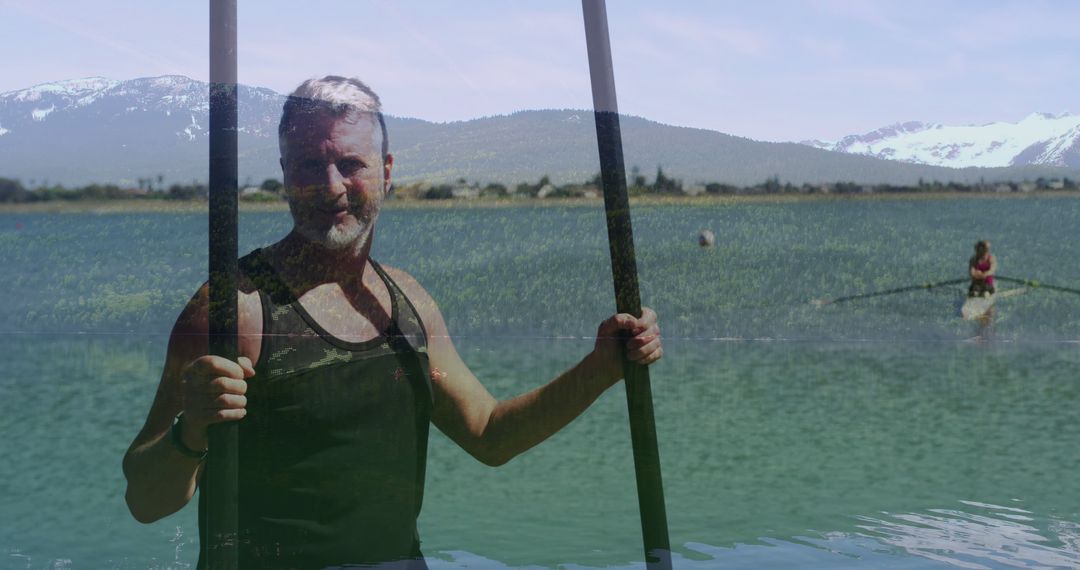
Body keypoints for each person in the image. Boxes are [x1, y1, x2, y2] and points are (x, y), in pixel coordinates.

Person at [121, 76, 663, 569]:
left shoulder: (409, 302)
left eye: (351, 165)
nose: (331, 185)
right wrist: (190, 432)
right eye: (309, 165)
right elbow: (145, 501)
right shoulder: (234, 309)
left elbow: (490, 436)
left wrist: (602, 367)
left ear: (385, 173)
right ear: (285, 176)